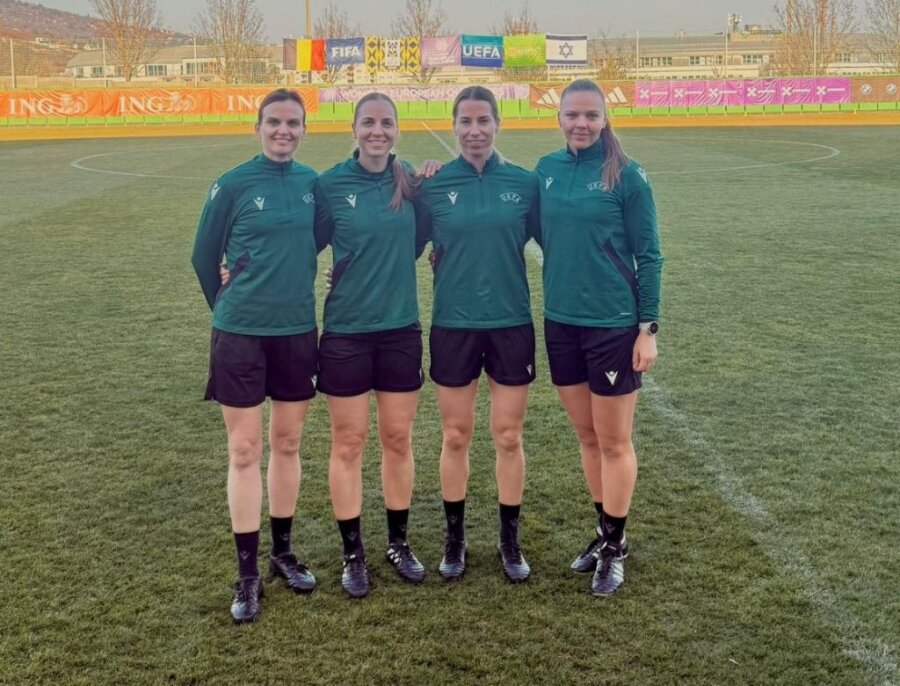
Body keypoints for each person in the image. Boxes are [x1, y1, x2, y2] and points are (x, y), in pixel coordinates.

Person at [191, 89, 320, 623]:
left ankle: (282, 554)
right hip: (240, 334)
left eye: (293, 123)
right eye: (274, 122)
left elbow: (321, 239)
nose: (283, 131)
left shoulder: (313, 185)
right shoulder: (233, 183)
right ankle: (247, 575)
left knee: (287, 443)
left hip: (296, 332)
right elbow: (203, 255)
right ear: (258, 126)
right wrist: (226, 304)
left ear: (304, 129)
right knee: (244, 450)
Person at [535, 79, 663, 597]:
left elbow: (649, 254)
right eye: (572, 114)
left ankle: (614, 547)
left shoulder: (627, 176)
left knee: (613, 441)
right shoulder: (546, 170)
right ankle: (605, 532)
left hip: (612, 325)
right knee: (587, 437)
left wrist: (647, 329)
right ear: (559, 118)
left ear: (605, 118)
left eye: (591, 115)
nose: (581, 123)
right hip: (560, 323)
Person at [416, 86, 541, 583]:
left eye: (483, 121)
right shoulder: (433, 185)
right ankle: (455, 539)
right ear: (454, 127)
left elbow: (562, 239)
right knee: (455, 434)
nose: (474, 131)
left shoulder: (525, 184)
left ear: (497, 124)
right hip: (453, 324)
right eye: (465, 122)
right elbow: (397, 243)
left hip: (511, 323)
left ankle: (510, 541)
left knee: (508, 435)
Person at [314, 93, 427, 599]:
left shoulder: (411, 183)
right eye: (368, 123)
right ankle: (353, 553)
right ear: (354, 128)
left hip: (400, 329)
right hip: (346, 332)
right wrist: (236, 263)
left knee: (397, 438)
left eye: (386, 123)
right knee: (349, 442)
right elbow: (300, 241)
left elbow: (423, 239)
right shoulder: (330, 185)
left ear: (397, 129)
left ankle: (398, 543)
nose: (377, 131)